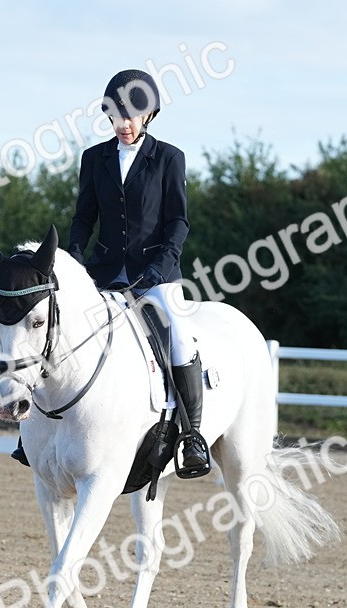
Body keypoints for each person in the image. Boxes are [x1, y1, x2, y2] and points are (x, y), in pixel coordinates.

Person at [11, 68, 211, 479]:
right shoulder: (95, 158)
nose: (123, 125)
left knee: (178, 334)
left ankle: (192, 436)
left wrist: (161, 264)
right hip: (102, 274)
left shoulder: (169, 158)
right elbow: (84, 216)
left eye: (131, 117)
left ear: (148, 116)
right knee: (58, 334)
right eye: (116, 116)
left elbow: (178, 221)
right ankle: (31, 434)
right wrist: (76, 256)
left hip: (155, 273)